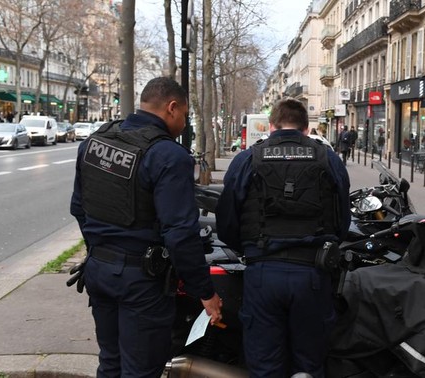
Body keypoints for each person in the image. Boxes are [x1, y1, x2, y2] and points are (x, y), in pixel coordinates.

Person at [70, 77, 222, 377]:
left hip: (98, 270)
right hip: (140, 282)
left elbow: (78, 208)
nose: (183, 122)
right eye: (185, 115)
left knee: (111, 363)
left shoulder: (95, 142)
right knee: (141, 370)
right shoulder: (169, 156)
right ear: (172, 108)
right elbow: (180, 234)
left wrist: (101, 250)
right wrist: (205, 292)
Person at [215, 98, 351, 377]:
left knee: (265, 366)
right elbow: (342, 221)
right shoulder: (329, 159)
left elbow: (227, 220)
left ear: (272, 125)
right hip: (312, 275)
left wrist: (251, 250)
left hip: (263, 273)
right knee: (309, 366)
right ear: (306, 128)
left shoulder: (247, 159)